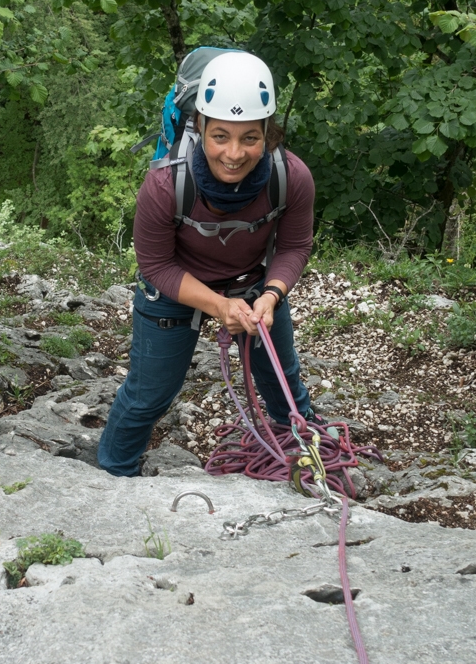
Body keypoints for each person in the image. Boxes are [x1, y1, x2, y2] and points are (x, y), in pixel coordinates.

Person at [97, 50, 319, 477]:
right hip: (173, 290)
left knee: (282, 383)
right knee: (149, 395)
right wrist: (219, 306)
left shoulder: (292, 177)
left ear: (268, 134)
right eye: (220, 136)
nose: (233, 154)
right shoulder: (165, 184)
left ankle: (310, 461)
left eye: (249, 138)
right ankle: (112, 477)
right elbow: (156, 265)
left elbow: (293, 247)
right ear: (199, 127)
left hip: (254, 286)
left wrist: (272, 296)